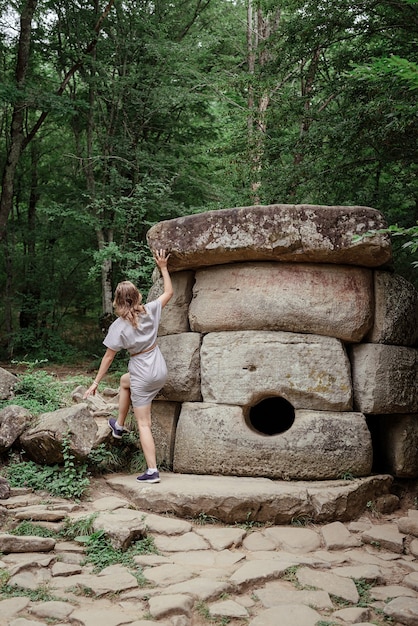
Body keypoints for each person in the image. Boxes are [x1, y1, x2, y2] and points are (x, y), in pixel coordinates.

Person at [83, 249, 173, 484]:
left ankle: (152, 471)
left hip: (142, 374)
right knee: (125, 382)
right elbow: (169, 292)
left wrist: (95, 383)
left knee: (144, 423)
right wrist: (163, 266)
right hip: (159, 370)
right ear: (137, 296)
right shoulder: (151, 310)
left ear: (118, 301)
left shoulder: (118, 326)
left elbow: (108, 358)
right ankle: (120, 425)